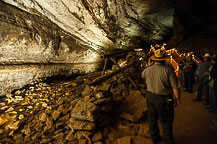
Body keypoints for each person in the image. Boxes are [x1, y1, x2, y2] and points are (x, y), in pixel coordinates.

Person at [141, 49, 181, 144]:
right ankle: (168, 141)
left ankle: (154, 138)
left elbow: (143, 76)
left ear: (154, 60)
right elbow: (175, 86)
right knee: (166, 120)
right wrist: (177, 98)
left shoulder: (147, 69)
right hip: (164, 98)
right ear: (164, 60)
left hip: (150, 97)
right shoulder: (168, 70)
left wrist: (149, 67)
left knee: (152, 118)